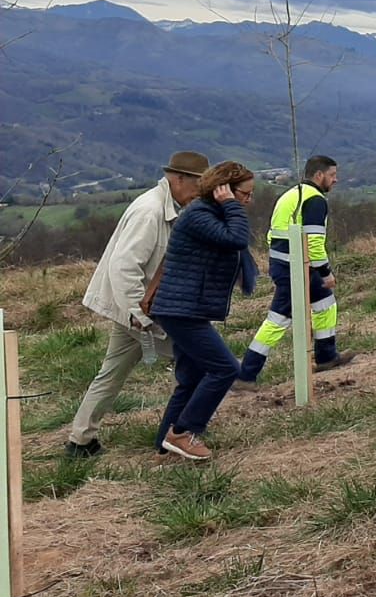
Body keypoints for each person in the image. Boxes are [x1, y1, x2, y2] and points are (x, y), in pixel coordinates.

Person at [65, 151, 209, 457]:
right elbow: (124, 268)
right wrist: (138, 315)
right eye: (198, 184)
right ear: (179, 179)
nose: (199, 192)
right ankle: (179, 434)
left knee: (111, 373)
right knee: (200, 360)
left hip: (135, 309)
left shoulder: (167, 207)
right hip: (136, 310)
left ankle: (81, 440)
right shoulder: (149, 212)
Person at [150, 161, 257, 461]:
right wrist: (231, 205)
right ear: (224, 189)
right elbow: (236, 239)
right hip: (182, 310)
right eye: (245, 194)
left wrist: (229, 205)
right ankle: (183, 432)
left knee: (192, 378)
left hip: (185, 308)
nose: (248, 201)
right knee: (226, 368)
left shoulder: (208, 213)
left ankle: (165, 446)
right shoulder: (200, 214)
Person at [239, 154, 352, 383]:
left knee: (325, 303)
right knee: (278, 319)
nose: (335, 180)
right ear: (319, 175)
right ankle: (245, 374)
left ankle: (326, 356)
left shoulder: (291, 194)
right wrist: (325, 272)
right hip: (296, 267)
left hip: (285, 263)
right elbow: (313, 241)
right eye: (332, 175)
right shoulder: (315, 200)